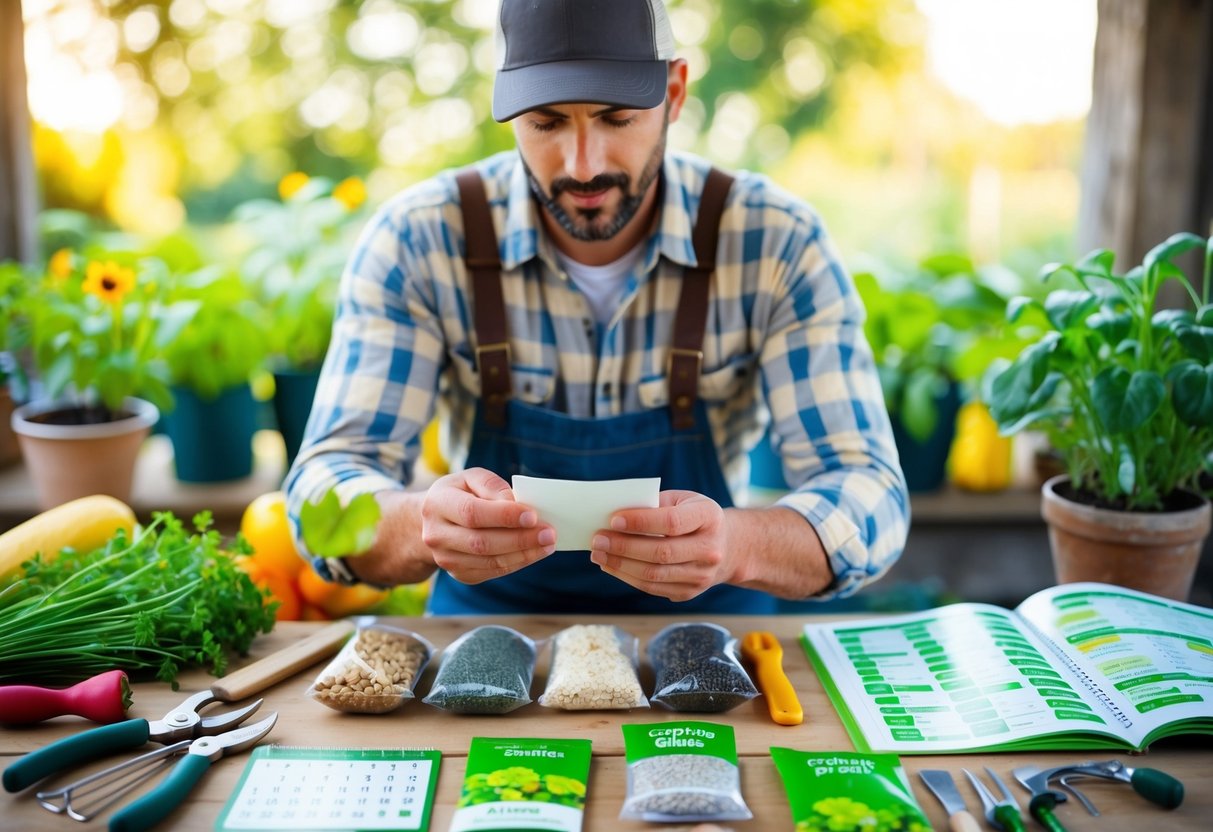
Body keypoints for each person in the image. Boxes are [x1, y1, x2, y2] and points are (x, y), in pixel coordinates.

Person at [285, 0, 908, 614]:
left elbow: (868, 494)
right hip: (487, 640)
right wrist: (421, 522)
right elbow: (324, 491)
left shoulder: (774, 242)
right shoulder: (418, 240)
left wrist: (737, 544)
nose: (583, 165)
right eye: (546, 123)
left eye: (617, 118)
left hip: (710, 643)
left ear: (675, 91)